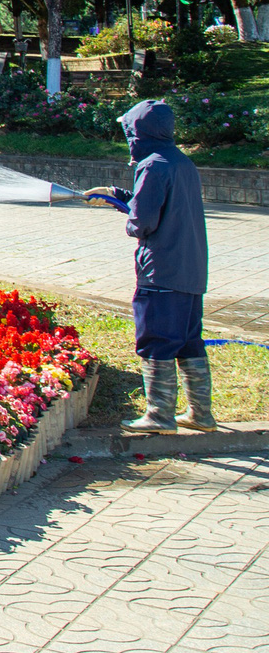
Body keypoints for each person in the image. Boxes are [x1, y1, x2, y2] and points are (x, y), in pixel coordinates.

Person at [86, 99, 215, 433]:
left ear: (137, 133)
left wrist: (129, 218)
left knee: (155, 341)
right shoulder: (181, 162)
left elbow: (142, 222)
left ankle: (159, 416)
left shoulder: (151, 166)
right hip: (190, 271)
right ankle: (201, 415)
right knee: (189, 342)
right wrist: (116, 194)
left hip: (161, 272)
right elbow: (162, 203)